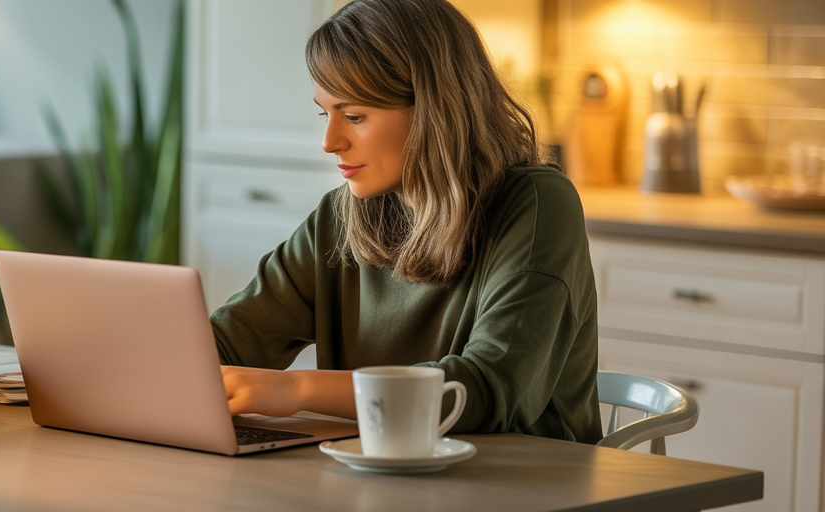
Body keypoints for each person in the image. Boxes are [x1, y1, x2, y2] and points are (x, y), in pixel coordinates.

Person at [213, 0, 601, 443]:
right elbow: (231, 338)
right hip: (379, 478)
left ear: (433, 111)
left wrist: (297, 388)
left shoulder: (537, 205)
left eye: (354, 116)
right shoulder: (340, 216)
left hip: (524, 484)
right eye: (326, 114)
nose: (329, 142)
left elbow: (486, 387)